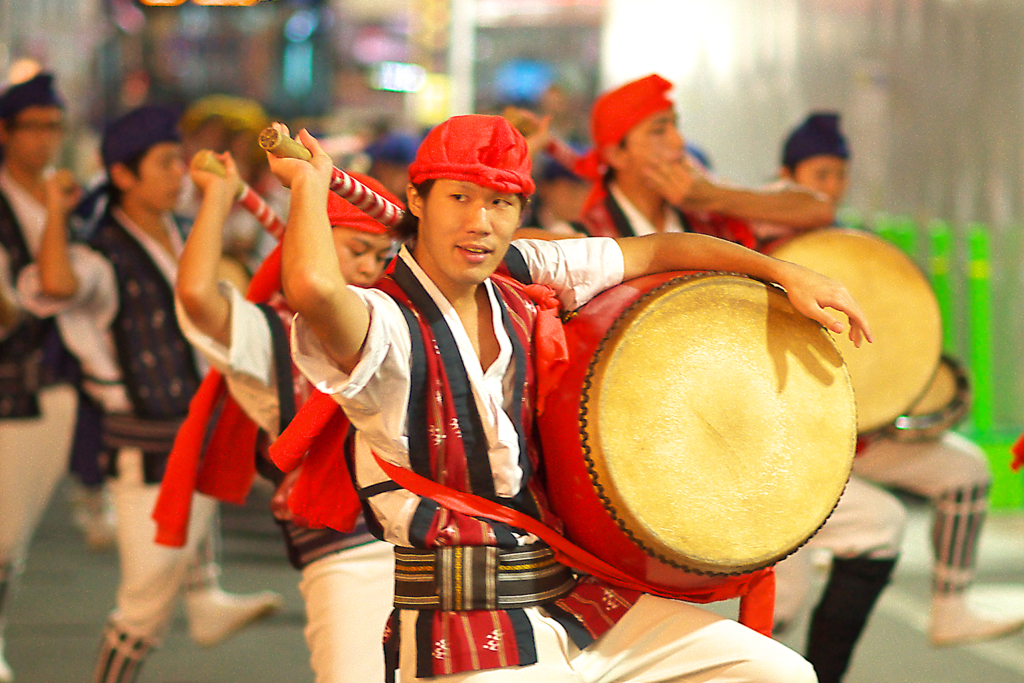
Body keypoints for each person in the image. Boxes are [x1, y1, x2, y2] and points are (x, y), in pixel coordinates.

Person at [267, 113, 873, 682]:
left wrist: (786, 274)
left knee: (775, 672)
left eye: (500, 203)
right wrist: (308, 187)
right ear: (418, 201)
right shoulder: (385, 326)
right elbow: (316, 289)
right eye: (460, 198)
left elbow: (662, 249)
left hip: (575, 598)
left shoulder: (527, 268)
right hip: (468, 621)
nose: (481, 221)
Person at [15, 104, 282, 683]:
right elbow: (57, 285)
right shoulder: (99, 252)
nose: (178, 175)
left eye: (178, 163)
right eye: (164, 164)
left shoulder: (182, 231)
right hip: (143, 448)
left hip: (192, 428)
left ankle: (205, 595)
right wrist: (59, 214)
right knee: (143, 607)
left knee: (177, 557)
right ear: (122, 176)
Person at [772, 111, 1024, 655]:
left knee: (965, 472)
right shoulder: (760, 243)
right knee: (783, 610)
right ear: (784, 175)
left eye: (840, 175)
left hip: (861, 437)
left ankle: (951, 607)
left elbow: (886, 347)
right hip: (791, 447)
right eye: (820, 174)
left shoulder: (854, 245)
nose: (832, 188)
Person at [170, 151, 397, 683]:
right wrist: (218, 198)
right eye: (358, 250)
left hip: (429, 543)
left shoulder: (391, 317)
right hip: (346, 553)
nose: (369, 267)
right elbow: (198, 296)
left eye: (381, 256)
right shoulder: (270, 335)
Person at [0, 71, 82, 683]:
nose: (49, 139)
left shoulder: (63, 199)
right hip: (11, 380)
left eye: (56, 127)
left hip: (54, 380)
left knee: (12, 533)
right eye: (37, 127)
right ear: (6, 133)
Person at [575, 74, 835, 246]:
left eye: (675, 127)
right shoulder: (584, 237)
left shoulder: (708, 209)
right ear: (617, 155)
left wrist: (713, 195)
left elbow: (819, 209)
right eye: (659, 130)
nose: (678, 142)